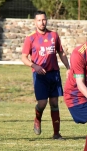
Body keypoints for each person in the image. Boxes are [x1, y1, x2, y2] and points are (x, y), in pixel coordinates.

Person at [21, 10, 70, 140]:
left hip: (54, 74)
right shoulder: (30, 38)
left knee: (54, 103)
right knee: (42, 103)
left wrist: (68, 67)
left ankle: (56, 133)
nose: (42, 22)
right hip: (40, 76)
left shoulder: (54, 35)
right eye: (39, 20)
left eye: (44, 20)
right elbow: (24, 57)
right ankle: (37, 118)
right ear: (35, 22)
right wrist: (34, 66)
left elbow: (61, 52)